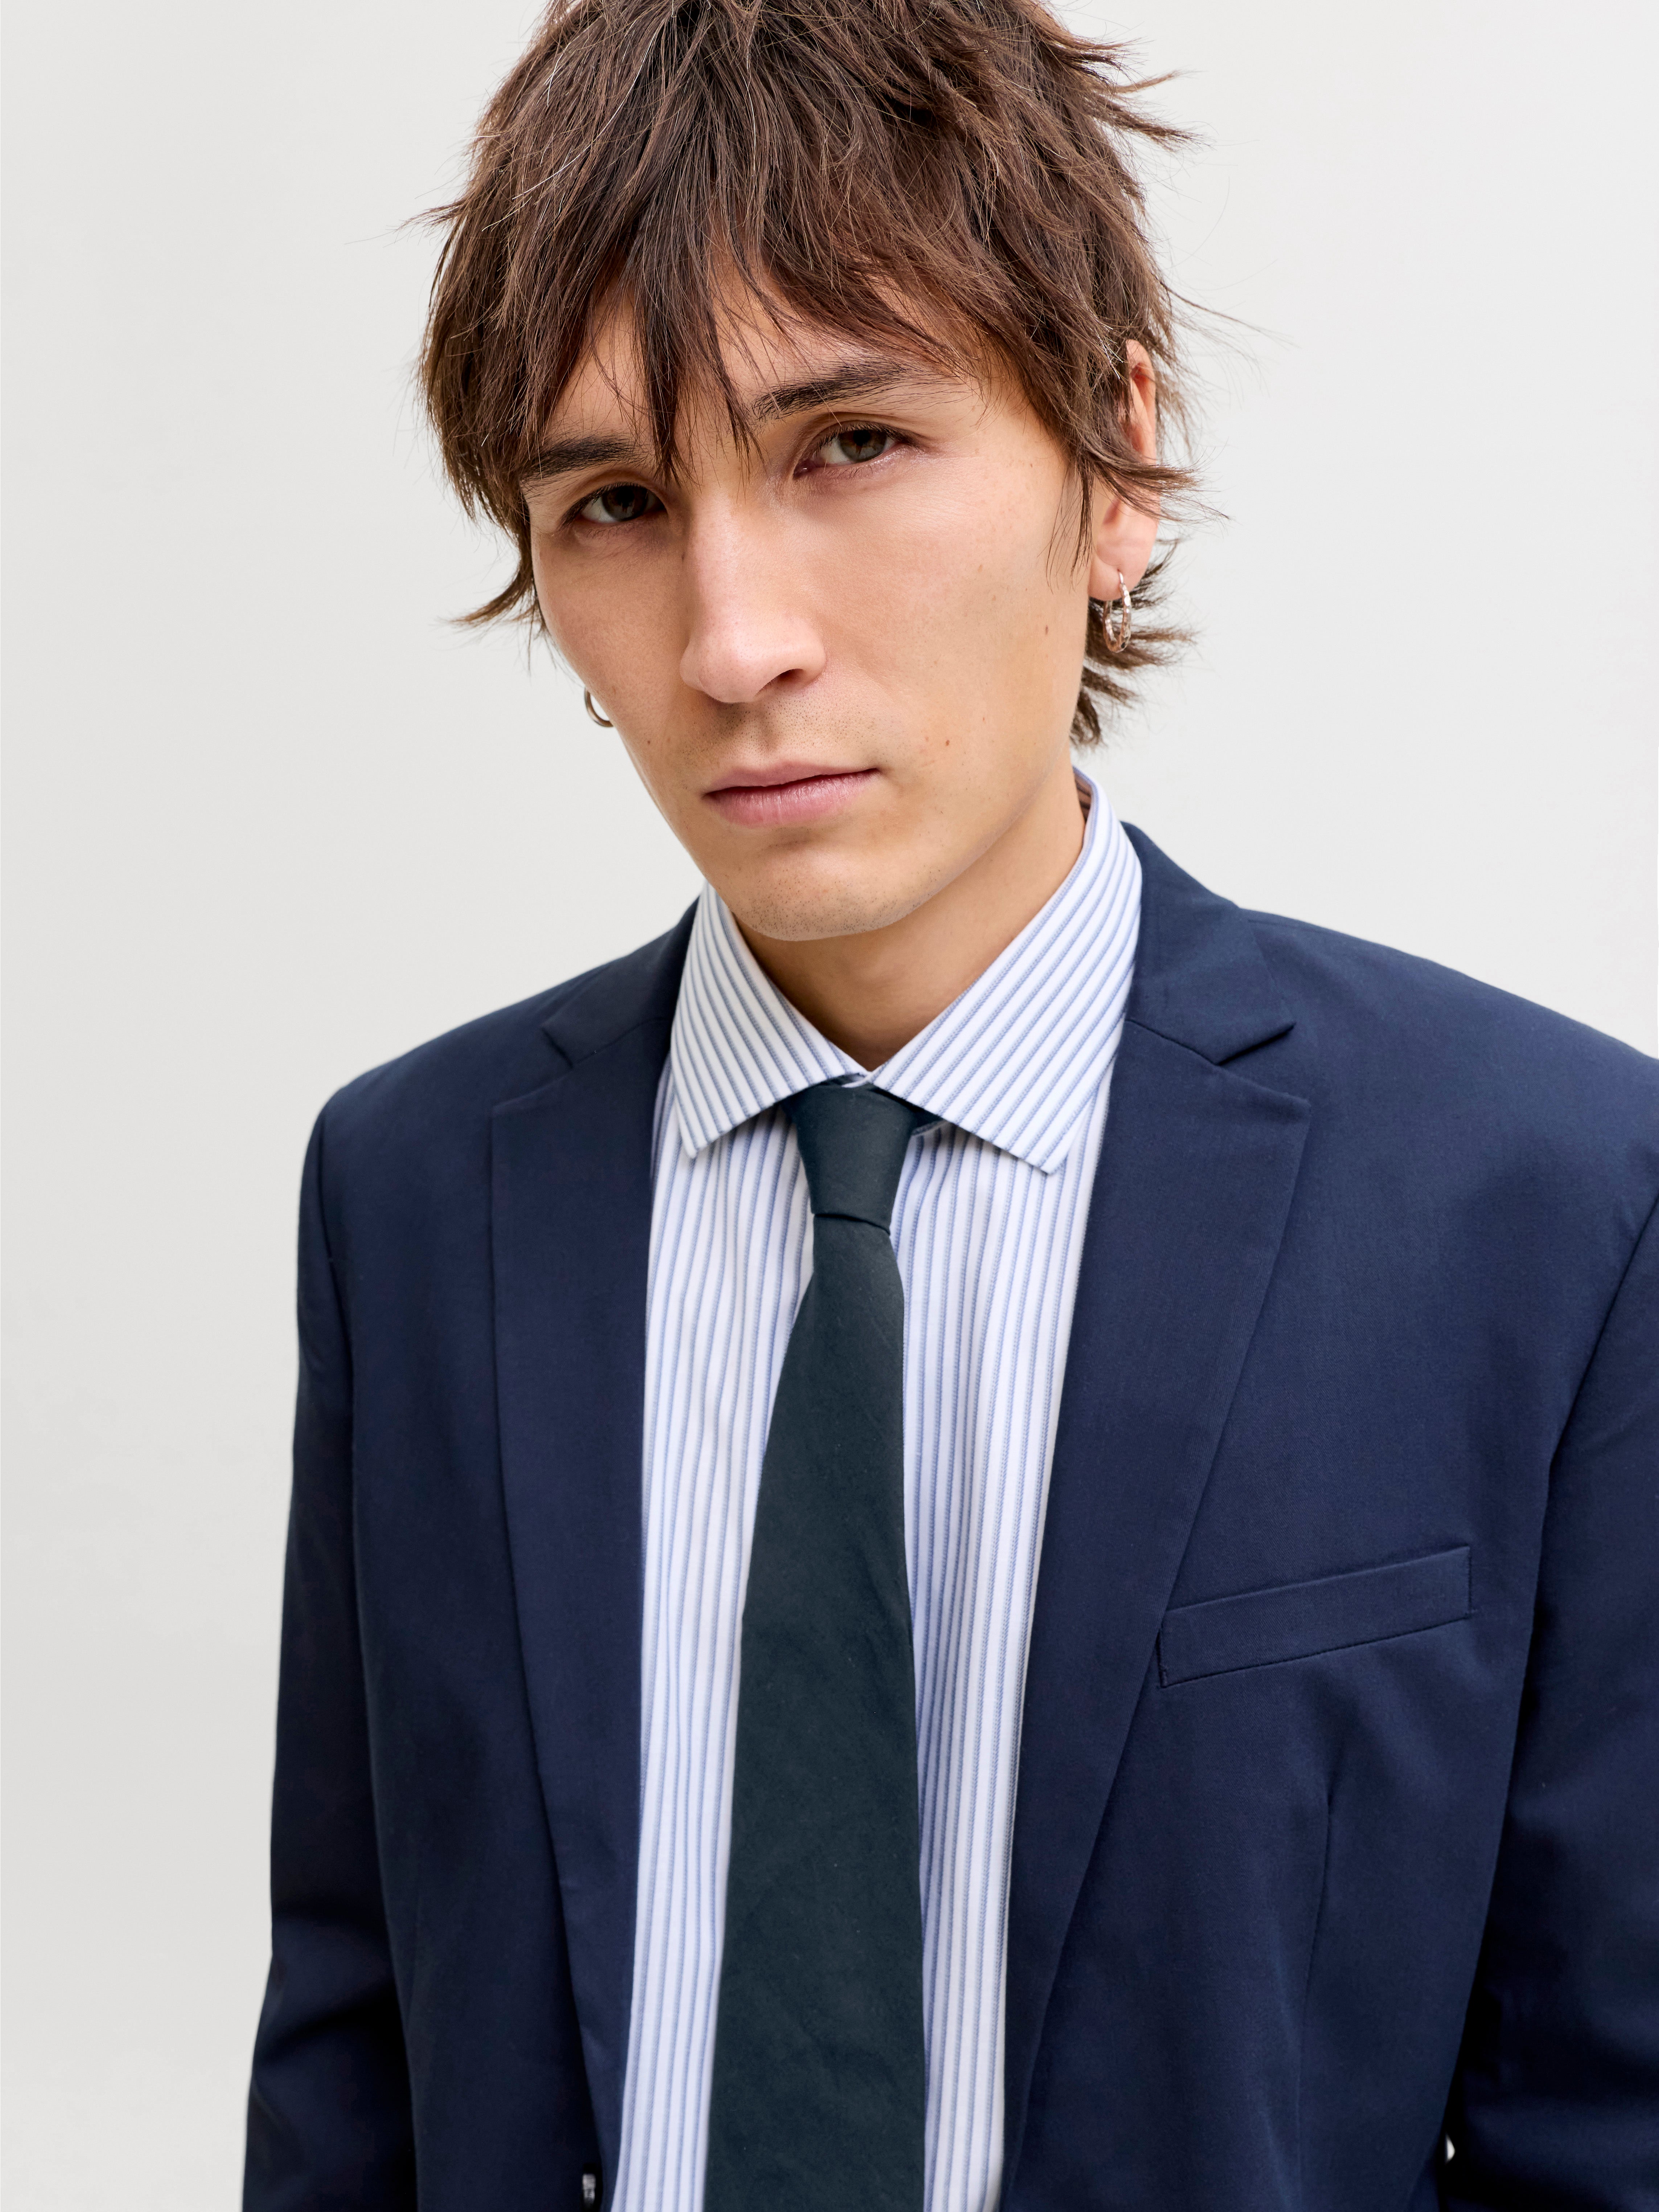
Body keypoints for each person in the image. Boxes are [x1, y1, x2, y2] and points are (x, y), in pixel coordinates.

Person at [243, 0, 1659, 2205]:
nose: (732, 641)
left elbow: (1612, 2123)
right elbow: (358, 2053)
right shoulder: (416, 1193)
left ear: (1118, 462)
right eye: (617, 503)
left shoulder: (1547, 1203)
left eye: (849, 444)